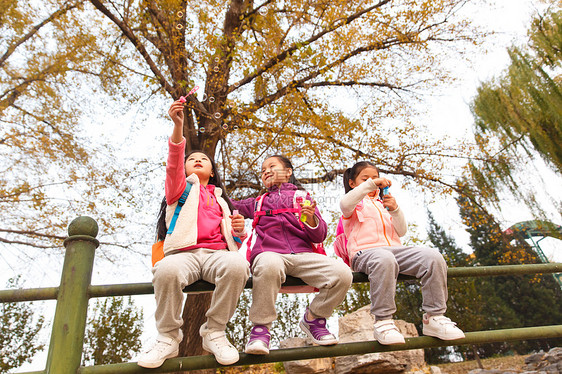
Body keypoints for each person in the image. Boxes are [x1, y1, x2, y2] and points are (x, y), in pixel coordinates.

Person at [137, 99, 250, 368]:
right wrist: (178, 127)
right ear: (185, 169)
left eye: (203, 160)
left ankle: (215, 331)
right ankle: (168, 337)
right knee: (166, 271)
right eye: (192, 159)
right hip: (183, 254)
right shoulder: (179, 191)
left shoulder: (222, 199)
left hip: (216, 255)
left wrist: (239, 232)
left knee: (238, 265)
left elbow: (231, 239)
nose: (197, 160)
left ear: (212, 172)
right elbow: (174, 162)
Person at [233, 155, 353, 355]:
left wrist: (310, 218)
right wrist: (207, 189)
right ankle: (261, 329)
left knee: (342, 273)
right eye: (263, 170)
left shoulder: (303, 198)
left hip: (303, 255)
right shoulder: (258, 203)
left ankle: (314, 318)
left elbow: (320, 234)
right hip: (269, 253)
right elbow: (227, 204)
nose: (266, 171)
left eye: (272, 166)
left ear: (288, 172)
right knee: (268, 263)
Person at [339, 161, 465, 345]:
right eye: (365, 179)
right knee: (385, 259)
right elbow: (345, 202)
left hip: (395, 252)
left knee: (433, 257)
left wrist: (395, 210)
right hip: (365, 253)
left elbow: (401, 231)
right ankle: (383, 321)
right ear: (353, 183)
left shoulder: (384, 204)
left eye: (375, 177)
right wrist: (372, 184)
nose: (373, 182)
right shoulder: (354, 204)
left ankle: (434, 317)